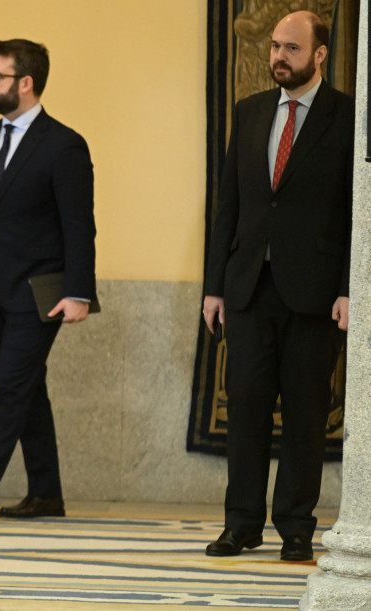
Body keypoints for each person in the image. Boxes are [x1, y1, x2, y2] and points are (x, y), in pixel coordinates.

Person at [202, 11, 352, 563]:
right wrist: (214, 285)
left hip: (315, 295)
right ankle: (240, 525)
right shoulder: (251, 112)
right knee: (245, 409)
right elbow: (231, 205)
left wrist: (348, 289)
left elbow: (356, 215)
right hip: (247, 289)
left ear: (319, 55)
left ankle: (295, 528)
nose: (278, 57)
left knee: (306, 415)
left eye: (291, 47)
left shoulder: (347, 117)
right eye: (273, 47)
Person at [0, 39, 97, 522]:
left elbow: (79, 224)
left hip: (43, 295)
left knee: (11, 387)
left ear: (25, 83)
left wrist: (80, 293)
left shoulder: (64, 144)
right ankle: (47, 493)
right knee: (27, 387)